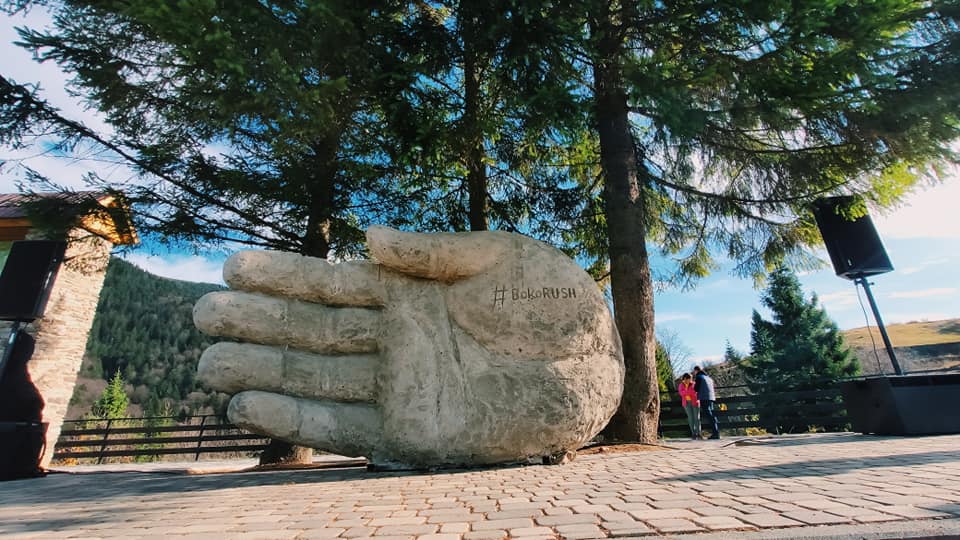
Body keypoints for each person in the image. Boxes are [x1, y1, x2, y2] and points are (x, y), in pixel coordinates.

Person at [693, 365, 720, 439]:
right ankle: (716, 432)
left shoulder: (699, 377)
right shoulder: (709, 378)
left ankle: (715, 434)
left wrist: (693, 386)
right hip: (711, 397)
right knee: (712, 415)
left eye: (694, 372)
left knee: (709, 416)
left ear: (696, 371)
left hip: (704, 397)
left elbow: (696, 389)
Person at [677, 373, 700, 440]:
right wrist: (688, 392)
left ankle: (699, 434)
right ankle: (693, 434)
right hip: (686, 403)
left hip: (695, 402)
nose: (690, 380)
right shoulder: (681, 385)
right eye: (689, 378)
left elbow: (694, 392)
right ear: (685, 378)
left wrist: (686, 391)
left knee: (697, 418)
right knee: (690, 418)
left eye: (691, 378)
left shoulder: (694, 384)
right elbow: (681, 393)